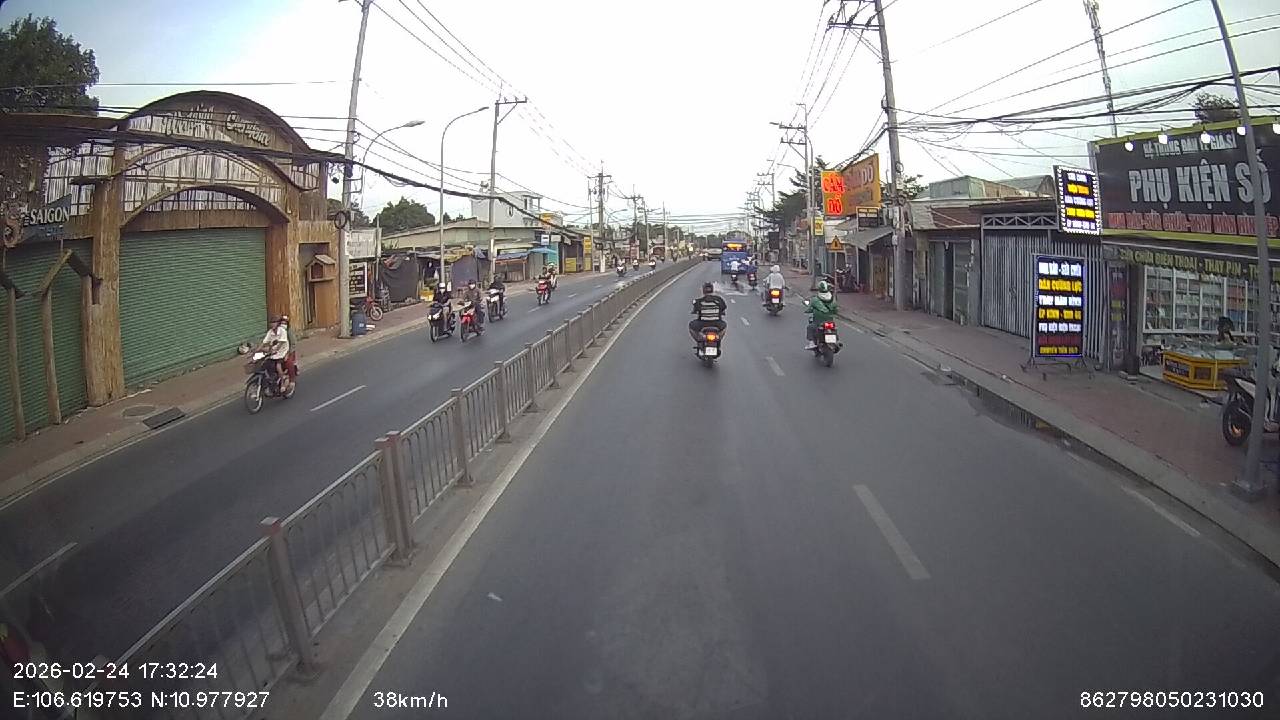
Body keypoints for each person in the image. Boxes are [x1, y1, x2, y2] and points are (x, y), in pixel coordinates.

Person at [258, 316, 292, 393]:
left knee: (278, 365)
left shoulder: (282, 331)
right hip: (273, 353)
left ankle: (283, 380)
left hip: (282, 352)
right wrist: (257, 350)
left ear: (278, 323)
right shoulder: (270, 332)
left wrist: (273, 350)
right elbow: (264, 342)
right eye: (271, 323)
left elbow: (280, 344)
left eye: (274, 322)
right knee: (266, 364)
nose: (272, 324)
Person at [804, 280, 838, 350]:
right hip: (830, 320)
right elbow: (836, 310)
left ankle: (811, 343)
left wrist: (807, 311)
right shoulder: (832, 298)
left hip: (819, 322)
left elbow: (809, 309)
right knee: (834, 328)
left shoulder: (815, 299)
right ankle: (836, 341)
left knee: (810, 327)